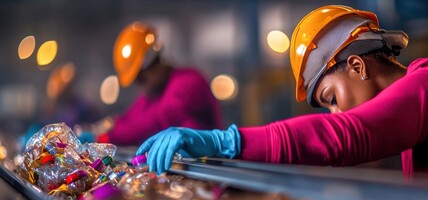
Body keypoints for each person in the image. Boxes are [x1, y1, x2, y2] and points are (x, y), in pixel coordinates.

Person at [136, 5, 428, 178]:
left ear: (356, 65)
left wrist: (226, 142)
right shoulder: (410, 115)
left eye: (332, 99)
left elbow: (345, 134)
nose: (336, 114)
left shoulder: (423, 84)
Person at [79, 22, 223, 146]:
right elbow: (131, 118)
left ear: (153, 62)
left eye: (140, 79)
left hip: (209, 170)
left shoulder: (189, 82)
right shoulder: (155, 93)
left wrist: (105, 137)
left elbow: (153, 121)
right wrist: (103, 127)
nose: (140, 86)